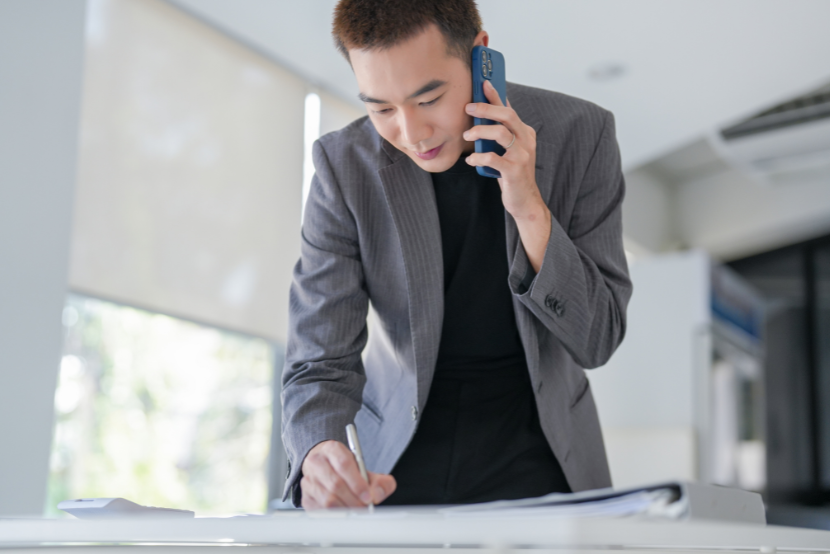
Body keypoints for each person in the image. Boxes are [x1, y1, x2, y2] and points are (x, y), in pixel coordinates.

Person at [281, 0, 632, 509]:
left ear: (479, 55)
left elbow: (597, 339)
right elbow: (318, 359)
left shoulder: (583, 135)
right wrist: (318, 449)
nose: (411, 133)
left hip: (541, 451)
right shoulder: (343, 168)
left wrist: (530, 208)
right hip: (396, 458)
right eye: (380, 108)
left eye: (429, 98)